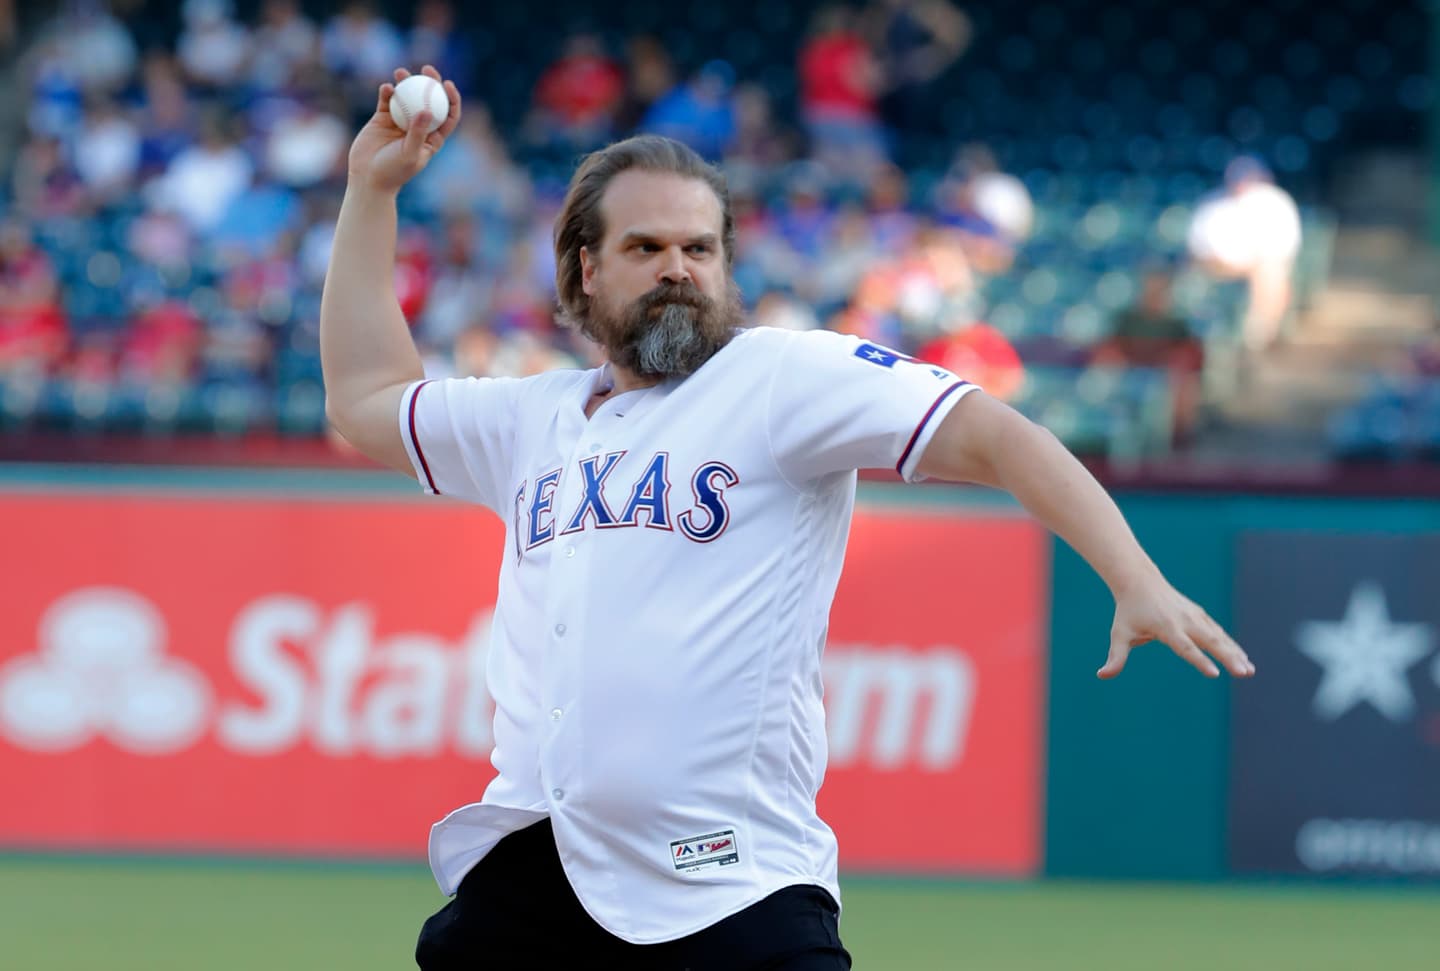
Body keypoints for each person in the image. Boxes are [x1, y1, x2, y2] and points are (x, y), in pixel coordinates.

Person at [321, 66, 1255, 971]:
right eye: (646, 249)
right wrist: (372, 189)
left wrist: (1133, 573)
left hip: (733, 888)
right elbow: (365, 398)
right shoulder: (529, 419)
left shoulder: (782, 380)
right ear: (586, 269)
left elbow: (997, 434)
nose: (679, 269)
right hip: (538, 874)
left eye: (701, 248)